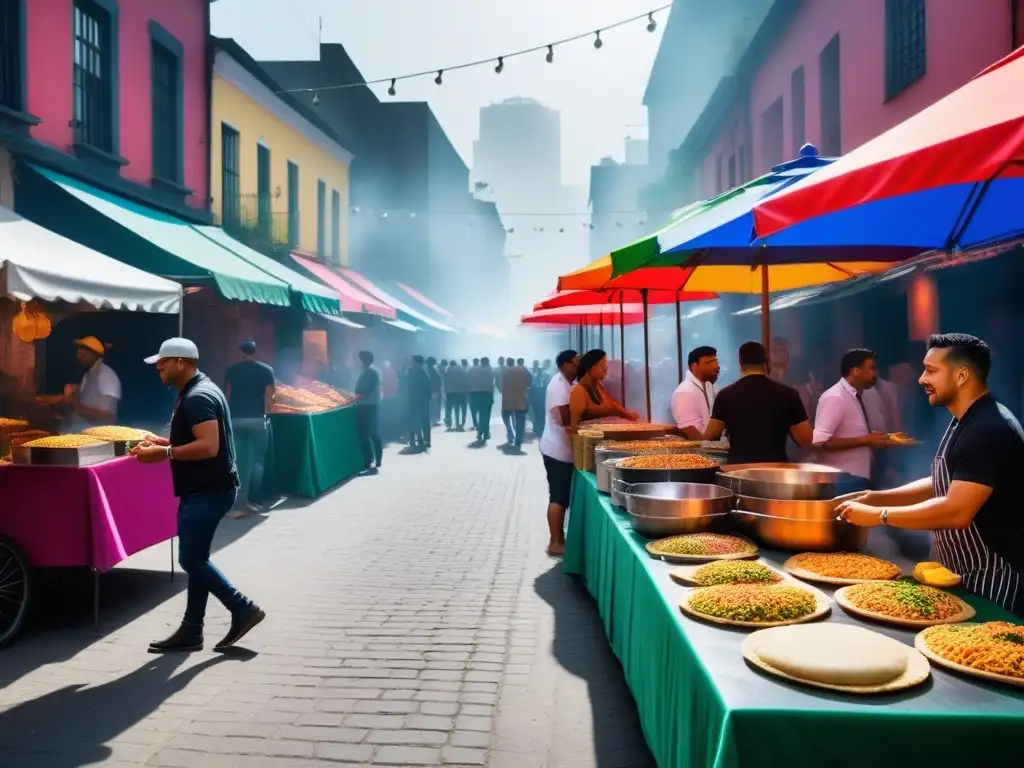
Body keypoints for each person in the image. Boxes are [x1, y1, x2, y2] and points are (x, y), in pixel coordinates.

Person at [836, 333, 1024, 615]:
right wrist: (877, 497)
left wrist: (880, 516)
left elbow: (956, 511)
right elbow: (945, 480)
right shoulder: (965, 419)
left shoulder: (987, 428)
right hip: (961, 576)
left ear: (962, 375)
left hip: (993, 582)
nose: (921, 379)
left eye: (931, 371)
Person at [131, 338, 264, 652]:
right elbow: (200, 438)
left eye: (162, 362)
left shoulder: (198, 396)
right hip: (212, 488)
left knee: (191, 559)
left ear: (180, 362)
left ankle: (242, 607)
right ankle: (192, 629)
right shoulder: (199, 389)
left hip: (208, 491)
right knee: (198, 560)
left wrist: (165, 455)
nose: (158, 367)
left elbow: (208, 446)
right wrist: (164, 443)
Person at [703, 341, 812, 464]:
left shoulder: (725, 395)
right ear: (766, 362)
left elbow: (709, 436)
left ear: (740, 363)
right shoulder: (789, 394)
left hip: (738, 470)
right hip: (776, 469)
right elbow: (805, 440)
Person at [813, 349, 898, 485]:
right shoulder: (836, 396)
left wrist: (871, 437)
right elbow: (821, 442)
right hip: (841, 478)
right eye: (871, 369)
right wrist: (866, 440)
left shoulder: (856, 395)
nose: (875, 374)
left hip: (856, 476)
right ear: (855, 371)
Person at [223, 341, 275, 513]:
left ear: (240, 351)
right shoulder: (266, 370)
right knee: (258, 459)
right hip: (257, 419)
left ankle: (237, 500)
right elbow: (269, 397)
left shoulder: (231, 370)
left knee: (237, 459)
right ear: (255, 351)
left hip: (236, 418)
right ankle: (255, 499)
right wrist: (267, 413)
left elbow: (227, 395)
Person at [540, 350, 579, 556]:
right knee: (558, 497)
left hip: (563, 449)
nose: (578, 365)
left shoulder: (567, 383)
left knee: (562, 496)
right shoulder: (557, 386)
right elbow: (566, 418)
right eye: (576, 362)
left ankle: (560, 539)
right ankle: (555, 542)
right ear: (565, 365)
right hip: (557, 450)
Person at [41, 336, 122, 431]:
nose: (80, 353)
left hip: (96, 440)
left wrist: (75, 405)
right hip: (77, 434)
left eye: (85, 350)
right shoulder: (88, 375)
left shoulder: (106, 375)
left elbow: (106, 415)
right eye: (79, 349)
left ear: (96, 354)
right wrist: (51, 401)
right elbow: (76, 402)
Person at [568, 349, 639, 430]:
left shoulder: (598, 385)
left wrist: (627, 414)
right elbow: (575, 427)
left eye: (606, 366)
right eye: (602, 366)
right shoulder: (578, 391)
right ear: (589, 367)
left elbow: (612, 405)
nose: (606, 369)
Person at [670, 346, 720, 440]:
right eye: (709, 363)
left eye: (716, 361)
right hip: (700, 451)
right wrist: (709, 449)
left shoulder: (712, 388)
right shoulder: (684, 392)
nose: (716, 366)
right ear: (694, 366)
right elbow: (690, 429)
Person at [353, 350, 383, 472]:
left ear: (364, 360)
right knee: (372, 432)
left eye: (358, 359)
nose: (356, 362)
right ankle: (376, 459)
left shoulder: (370, 372)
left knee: (367, 433)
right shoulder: (373, 371)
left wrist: (354, 398)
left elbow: (366, 391)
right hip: (371, 405)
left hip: (367, 406)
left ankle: (369, 460)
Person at [501, 357, 533, 452]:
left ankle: (510, 435)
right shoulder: (524, 371)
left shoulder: (506, 372)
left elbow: (501, 385)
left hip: (508, 400)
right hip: (520, 399)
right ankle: (518, 440)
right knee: (520, 421)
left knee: (508, 419)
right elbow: (530, 382)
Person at [405, 355, 432, 450]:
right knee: (424, 420)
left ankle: (413, 440)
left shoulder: (410, 371)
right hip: (423, 400)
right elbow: (428, 386)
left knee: (412, 419)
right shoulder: (424, 372)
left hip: (412, 399)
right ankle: (427, 440)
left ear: (415, 361)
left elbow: (406, 385)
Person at [467, 357, 495, 441]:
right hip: (486, 394)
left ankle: (480, 432)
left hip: (474, 394)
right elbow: (491, 383)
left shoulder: (472, 370)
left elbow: (468, 381)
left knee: (479, 414)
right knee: (485, 415)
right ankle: (485, 433)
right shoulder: (489, 370)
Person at [426, 357, 442, 427]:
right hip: (434, 390)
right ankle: (433, 420)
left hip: (428, 391)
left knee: (430, 406)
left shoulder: (426, 369)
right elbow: (438, 379)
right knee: (434, 406)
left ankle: (431, 420)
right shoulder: (433, 370)